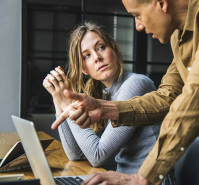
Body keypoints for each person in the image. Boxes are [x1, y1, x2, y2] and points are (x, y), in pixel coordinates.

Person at [52, 0, 199, 184]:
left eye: (137, 15)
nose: (139, 26)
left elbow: (197, 96)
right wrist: (105, 108)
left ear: (160, 3)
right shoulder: (179, 37)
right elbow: (166, 97)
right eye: (86, 56)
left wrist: (143, 177)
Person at [43, 22, 176, 184]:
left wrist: (67, 105)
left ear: (115, 50)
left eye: (101, 47)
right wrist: (59, 99)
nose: (97, 58)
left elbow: (97, 156)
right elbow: (75, 154)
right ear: (84, 69)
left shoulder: (136, 84)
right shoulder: (105, 94)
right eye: (87, 55)